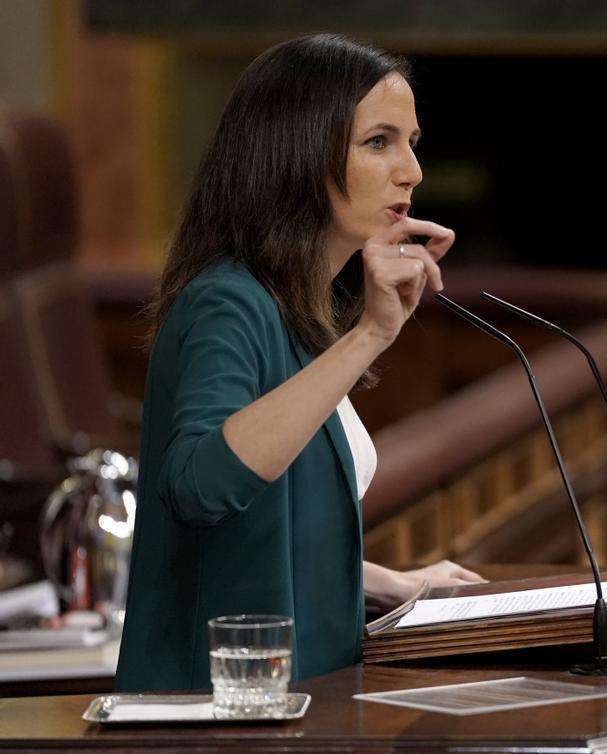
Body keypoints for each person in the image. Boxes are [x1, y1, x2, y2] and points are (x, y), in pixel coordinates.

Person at [114, 34, 485, 692]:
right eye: (379, 142)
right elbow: (201, 488)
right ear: (299, 153)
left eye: (412, 142)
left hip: (300, 700)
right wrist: (369, 334)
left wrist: (388, 582)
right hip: (218, 718)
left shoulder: (295, 309)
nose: (412, 171)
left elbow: (264, 529)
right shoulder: (227, 302)